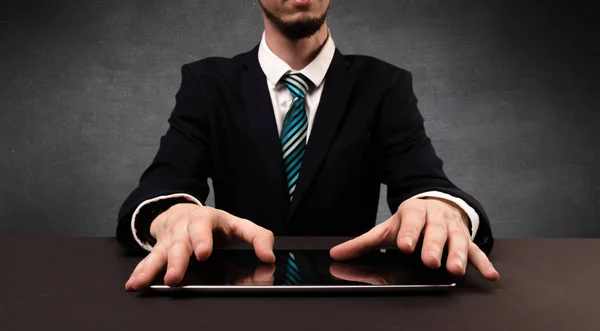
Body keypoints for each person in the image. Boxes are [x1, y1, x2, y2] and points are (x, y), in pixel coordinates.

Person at [117, 0, 500, 291]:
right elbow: (166, 180)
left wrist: (442, 208)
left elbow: (424, 180)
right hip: (239, 303)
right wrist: (171, 215)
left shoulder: (383, 85)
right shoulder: (208, 83)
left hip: (350, 304)